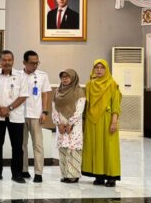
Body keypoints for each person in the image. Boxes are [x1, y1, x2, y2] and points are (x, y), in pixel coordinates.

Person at [0, 50, 29, 184]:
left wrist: (9, 108)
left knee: (17, 146)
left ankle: (17, 174)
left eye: (9, 60)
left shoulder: (21, 76)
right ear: (0, 61)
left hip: (16, 117)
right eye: (4, 60)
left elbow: (23, 96)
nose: (7, 62)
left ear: (13, 61)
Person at [82, 59, 122, 187]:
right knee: (95, 147)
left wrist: (114, 122)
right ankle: (98, 175)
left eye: (102, 67)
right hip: (92, 121)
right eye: (97, 67)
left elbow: (115, 105)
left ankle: (111, 176)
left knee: (109, 148)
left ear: (106, 69)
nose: (99, 70)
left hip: (107, 119)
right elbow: (86, 105)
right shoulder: (89, 85)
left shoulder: (112, 84)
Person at [21, 50, 52, 183]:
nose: (34, 65)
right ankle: (23, 170)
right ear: (24, 62)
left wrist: (44, 112)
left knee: (38, 145)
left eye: (37, 63)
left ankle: (38, 173)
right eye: (32, 63)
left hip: (36, 115)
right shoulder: (18, 75)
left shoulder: (42, 76)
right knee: (22, 145)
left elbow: (45, 95)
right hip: (20, 115)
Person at [52, 69, 85, 183]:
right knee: (63, 149)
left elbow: (79, 110)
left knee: (73, 149)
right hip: (61, 126)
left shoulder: (79, 91)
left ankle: (73, 175)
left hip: (74, 126)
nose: (65, 79)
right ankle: (65, 174)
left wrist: (70, 123)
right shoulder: (57, 91)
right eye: (63, 77)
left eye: (67, 76)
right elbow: (54, 109)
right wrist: (58, 123)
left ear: (73, 78)